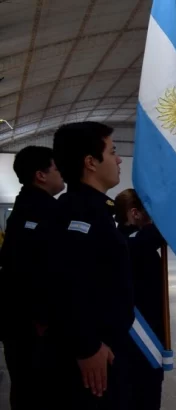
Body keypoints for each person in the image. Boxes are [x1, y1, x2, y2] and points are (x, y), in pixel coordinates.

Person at [50, 121, 135, 408]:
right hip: (95, 353)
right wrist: (87, 347)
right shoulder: (78, 214)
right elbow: (66, 285)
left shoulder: (98, 209)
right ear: (91, 163)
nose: (119, 159)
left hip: (108, 345)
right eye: (112, 152)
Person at [0, 146, 65, 409]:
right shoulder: (39, 210)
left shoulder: (28, 206)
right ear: (40, 175)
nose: (62, 175)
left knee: (27, 387)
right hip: (33, 326)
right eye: (57, 169)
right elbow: (28, 267)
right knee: (36, 390)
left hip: (22, 322)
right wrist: (41, 317)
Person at [114, 189, 165, 410]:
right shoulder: (129, 241)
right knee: (145, 391)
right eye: (147, 210)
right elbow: (162, 231)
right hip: (141, 330)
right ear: (135, 213)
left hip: (143, 325)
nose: (151, 215)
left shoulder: (128, 236)